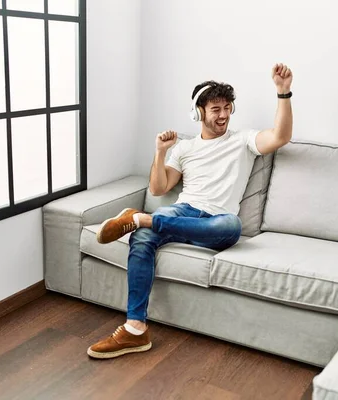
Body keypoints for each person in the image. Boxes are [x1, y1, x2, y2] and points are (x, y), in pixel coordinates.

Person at [87, 63, 294, 359]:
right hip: (183, 211)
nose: (223, 115)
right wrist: (160, 152)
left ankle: (140, 219)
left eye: (227, 108)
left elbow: (280, 137)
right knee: (142, 238)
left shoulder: (243, 140)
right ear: (198, 113)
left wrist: (283, 93)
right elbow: (159, 189)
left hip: (217, 219)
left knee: (231, 228)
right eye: (215, 109)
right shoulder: (184, 149)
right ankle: (135, 329)